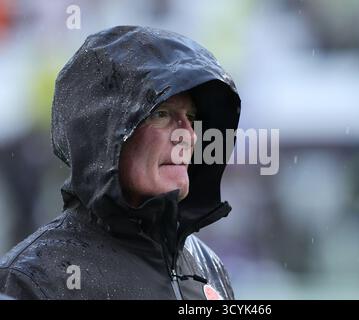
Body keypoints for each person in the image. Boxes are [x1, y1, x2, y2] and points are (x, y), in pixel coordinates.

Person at [0, 26, 241, 300]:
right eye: (161, 113)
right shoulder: (34, 281)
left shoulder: (207, 265)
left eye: (191, 116)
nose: (186, 134)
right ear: (104, 133)